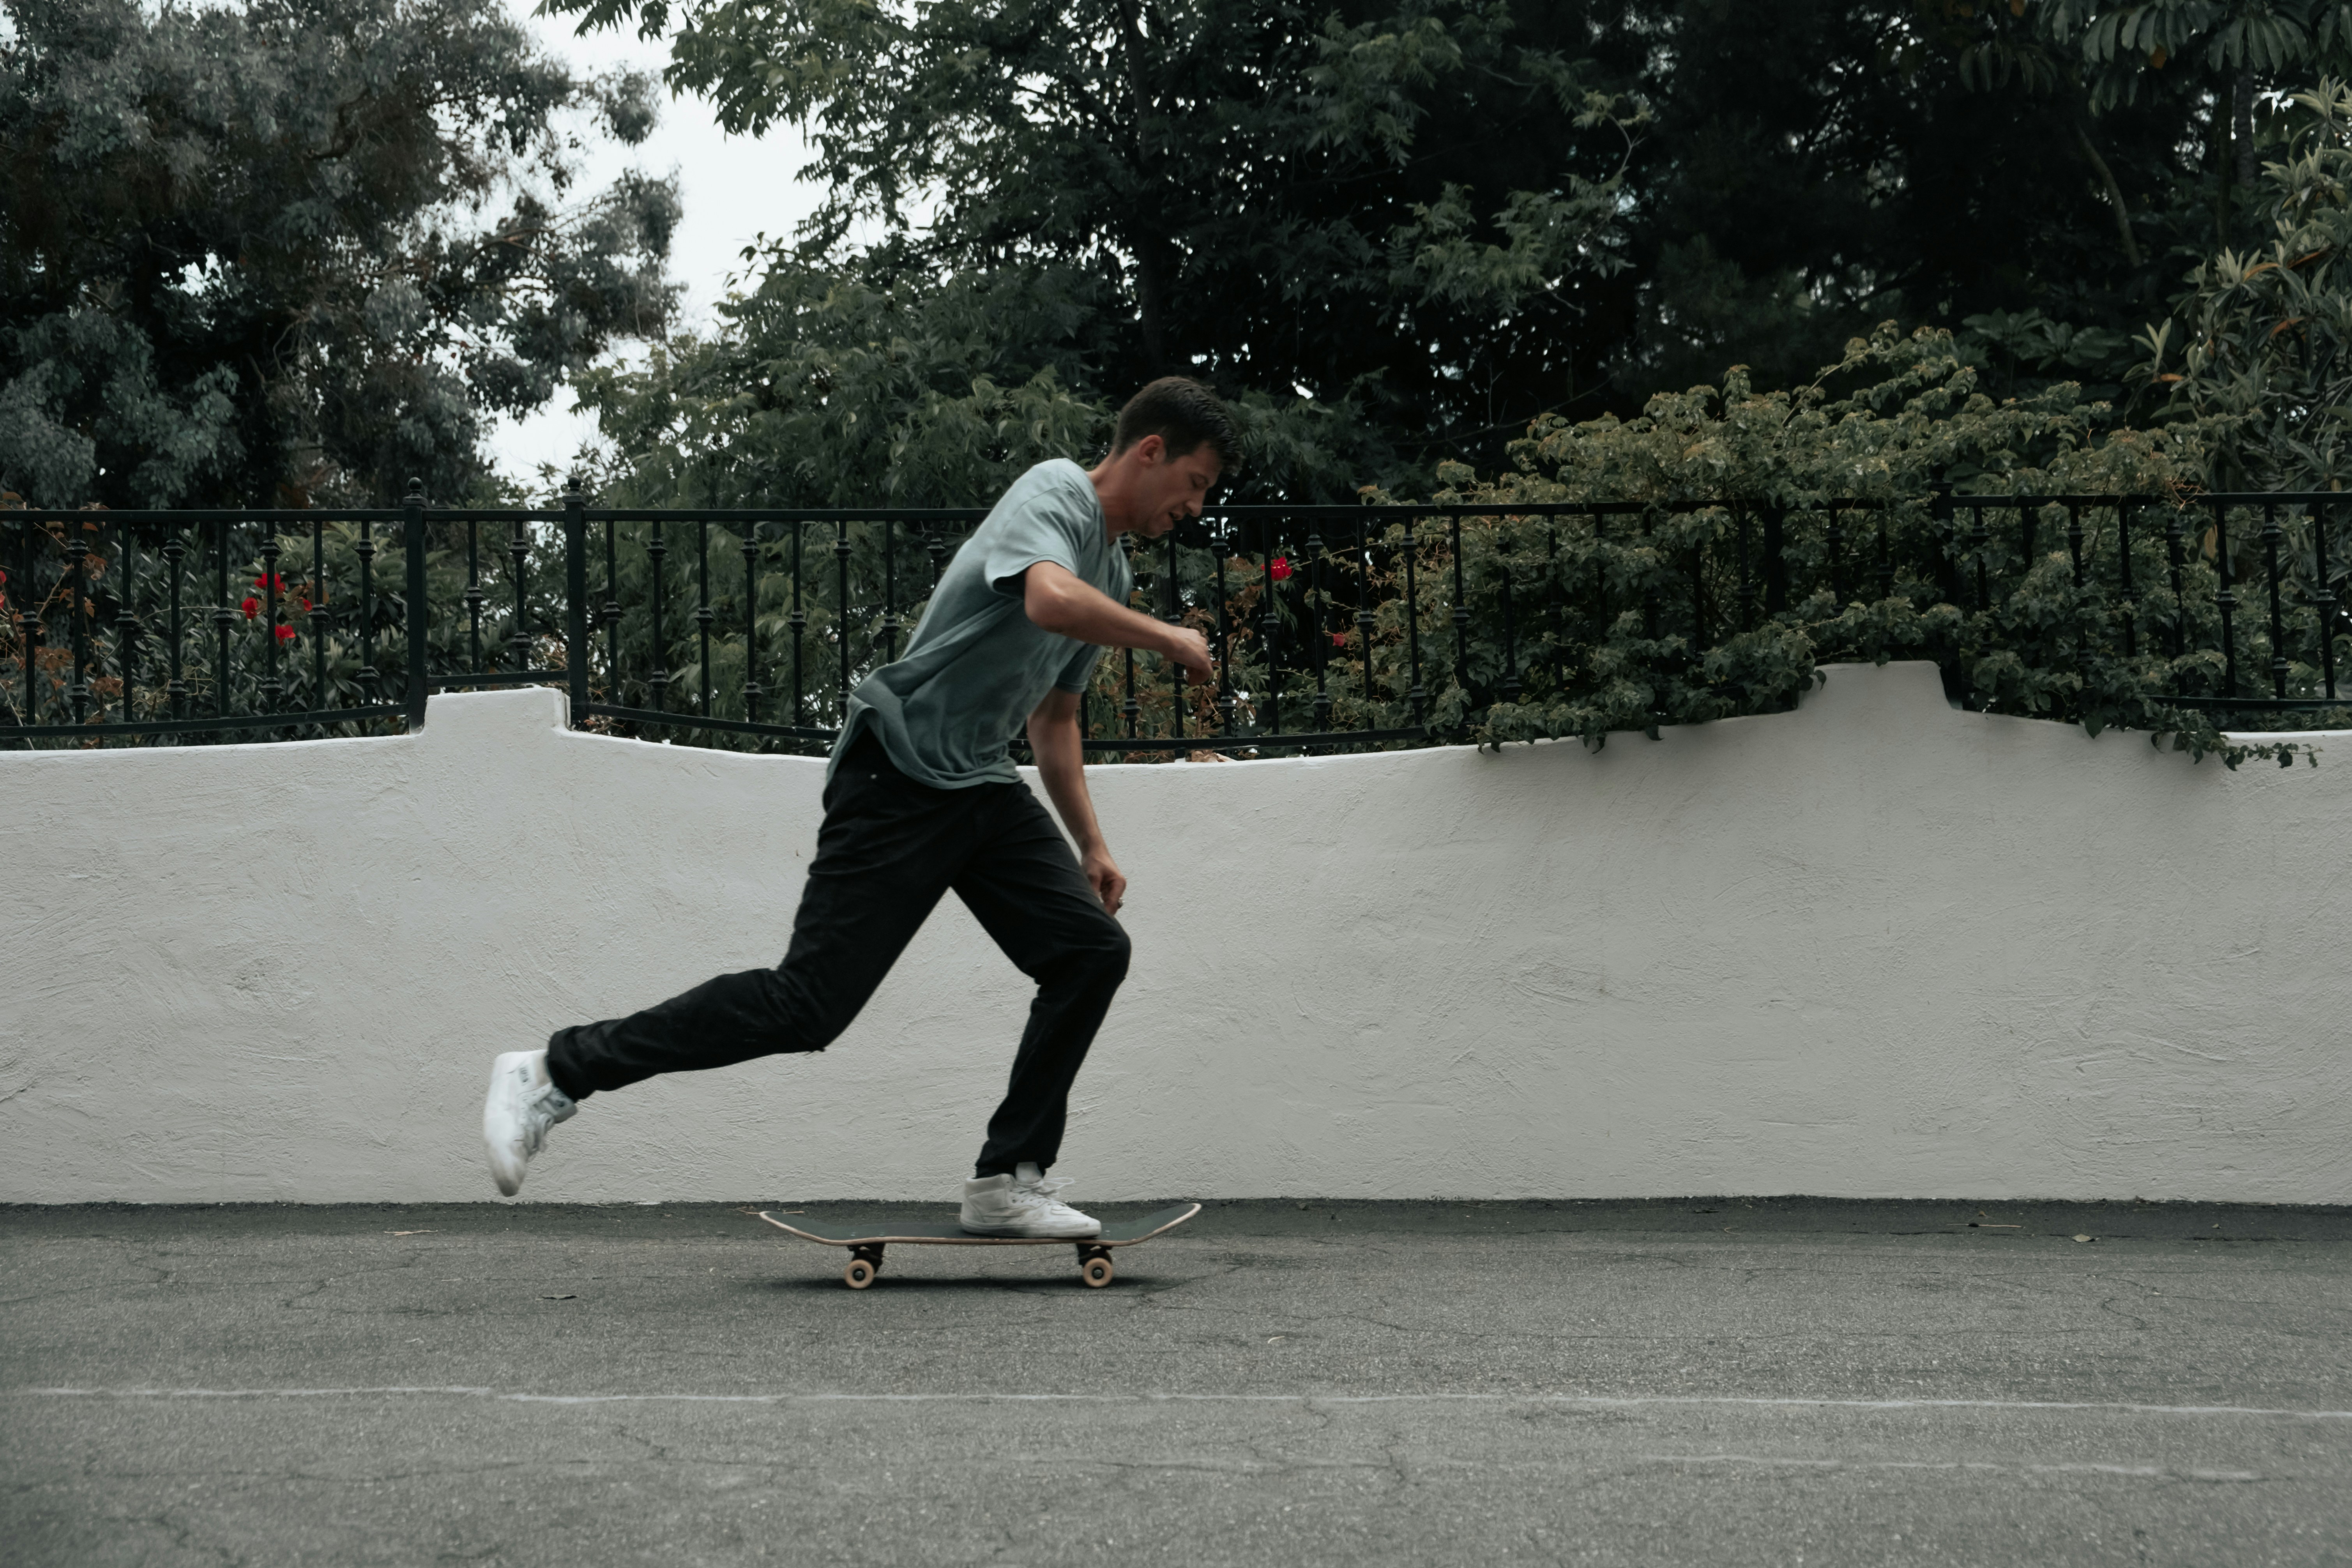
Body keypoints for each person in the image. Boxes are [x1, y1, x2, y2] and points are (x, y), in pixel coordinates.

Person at [480, 377, 1233, 1236]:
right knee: (807, 1004)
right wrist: (1166, 634)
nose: (1197, 506)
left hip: (979, 781)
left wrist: (1092, 843)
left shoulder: (1115, 567)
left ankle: (1008, 1176)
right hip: (898, 769)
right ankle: (553, 1071)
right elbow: (1044, 599)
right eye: (1197, 483)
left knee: (1090, 951)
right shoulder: (1055, 490)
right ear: (1150, 451)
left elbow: (1053, 718)